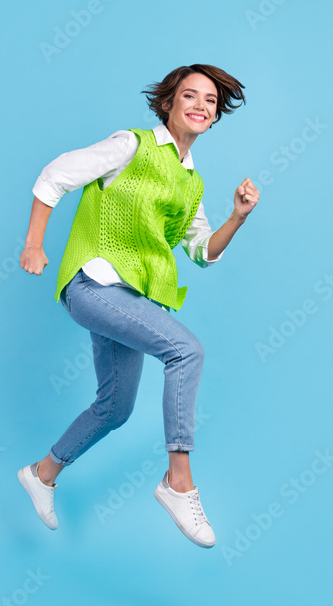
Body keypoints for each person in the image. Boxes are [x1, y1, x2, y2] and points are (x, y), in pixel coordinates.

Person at [17, 64, 259, 548]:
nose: (199, 105)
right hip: (92, 285)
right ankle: (179, 482)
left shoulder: (191, 184)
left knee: (114, 408)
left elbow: (203, 252)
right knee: (185, 351)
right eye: (189, 96)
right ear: (168, 104)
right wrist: (34, 244)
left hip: (128, 298)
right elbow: (55, 176)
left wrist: (237, 217)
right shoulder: (131, 145)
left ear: (215, 116)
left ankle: (42, 474)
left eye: (209, 101)